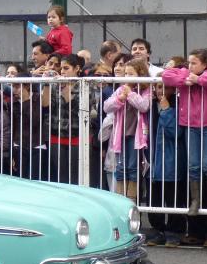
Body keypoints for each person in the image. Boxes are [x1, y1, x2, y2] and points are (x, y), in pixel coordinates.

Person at [162, 49, 207, 247]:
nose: (190, 66)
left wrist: (198, 80)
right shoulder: (185, 73)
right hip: (190, 124)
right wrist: (186, 78)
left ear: (204, 64)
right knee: (193, 165)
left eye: (194, 63)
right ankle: (195, 201)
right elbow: (167, 75)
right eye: (189, 62)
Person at [101, 57, 151, 199]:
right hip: (120, 135)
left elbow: (144, 106)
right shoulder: (121, 90)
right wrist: (120, 98)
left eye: (131, 74)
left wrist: (130, 94)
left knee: (133, 167)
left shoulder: (146, 90)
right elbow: (106, 107)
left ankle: (131, 199)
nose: (127, 77)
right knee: (121, 167)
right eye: (126, 74)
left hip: (136, 136)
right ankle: (121, 198)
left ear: (140, 75)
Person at [145, 82, 186, 247]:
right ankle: (158, 230)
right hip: (152, 158)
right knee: (154, 197)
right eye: (158, 87)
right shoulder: (148, 106)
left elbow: (175, 132)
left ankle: (174, 231)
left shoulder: (177, 105)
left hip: (171, 158)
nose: (161, 91)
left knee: (173, 196)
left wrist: (166, 110)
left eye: (166, 87)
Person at [49, 52, 97, 185]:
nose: (62, 72)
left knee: (77, 177)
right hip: (57, 135)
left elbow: (80, 111)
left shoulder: (86, 85)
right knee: (61, 177)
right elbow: (47, 107)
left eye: (66, 68)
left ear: (77, 68)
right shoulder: (55, 85)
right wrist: (47, 84)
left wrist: (66, 90)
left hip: (78, 137)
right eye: (61, 68)